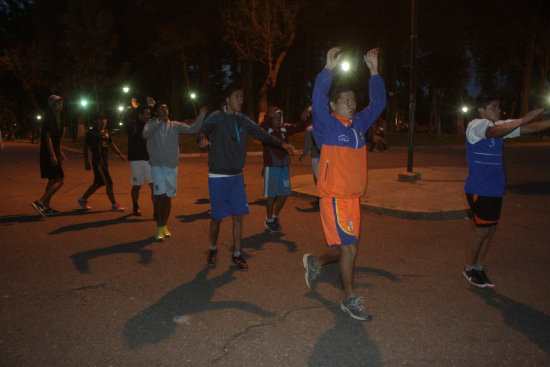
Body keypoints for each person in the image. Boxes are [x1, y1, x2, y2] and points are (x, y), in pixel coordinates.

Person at [302, 47, 386, 321]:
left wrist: (374, 72)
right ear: (333, 105)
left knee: (344, 247)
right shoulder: (327, 126)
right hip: (334, 197)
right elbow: (317, 98)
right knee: (350, 248)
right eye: (345, 100)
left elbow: (378, 104)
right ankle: (349, 298)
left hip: (353, 197)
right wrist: (327, 69)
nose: (351, 104)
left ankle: (315, 262)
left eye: (353, 101)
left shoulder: (359, 125)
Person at [198, 83, 295, 270]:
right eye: (236, 97)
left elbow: (261, 134)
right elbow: (203, 130)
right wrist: (203, 138)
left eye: (242, 97)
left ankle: (237, 254)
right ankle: (212, 248)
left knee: (238, 217)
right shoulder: (216, 117)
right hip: (218, 176)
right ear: (227, 99)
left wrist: (281, 144)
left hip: (236, 176)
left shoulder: (243, 120)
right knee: (217, 218)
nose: (240, 101)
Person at [462, 94, 550, 288]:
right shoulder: (476, 125)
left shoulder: (502, 127)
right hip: (479, 188)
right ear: (481, 110)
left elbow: (527, 128)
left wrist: (541, 123)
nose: (498, 110)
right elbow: (493, 132)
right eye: (494, 106)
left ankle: (479, 267)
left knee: (491, 230)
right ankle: (469, 268)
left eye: (499, 107)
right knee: (482, 231)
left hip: (495, 189)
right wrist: (524, 118)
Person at [143, 102, 207, 241]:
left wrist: (201, 115)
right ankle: (159, 228)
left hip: (171, 167)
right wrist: (159, 122)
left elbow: (192, 129)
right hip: (157, 166)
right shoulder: (151, 124)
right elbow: (145, 134)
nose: (165, 111)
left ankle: (164, 226)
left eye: (166, 108)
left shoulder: (175, 125)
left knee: (167, 198)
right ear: (156, 112)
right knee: (160, 197)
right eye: (161, 109)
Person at [260, 106, 309, 232]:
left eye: (279, 117)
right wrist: (269, 116)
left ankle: (275, 216)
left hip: (284, 167)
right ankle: (269, 220)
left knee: (285, 193)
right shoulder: (266, 129)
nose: (278, 119)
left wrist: (303, 118)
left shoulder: (284, 128)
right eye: (275, 117)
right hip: (271, 167)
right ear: (270, 118)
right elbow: (263, 127)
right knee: (271, 196)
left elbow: (299, 127)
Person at [77, 112, 126, 211]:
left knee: (98, 183)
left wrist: (120, 154)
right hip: (99, 163)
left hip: (105, 162)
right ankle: (114, 204)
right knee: (109, 183)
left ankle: (83, 199)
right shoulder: (92, 133)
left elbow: (111, 144)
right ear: (96, 121)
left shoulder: (106, 132)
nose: (104, 121)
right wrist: (86, 162)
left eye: (105, 119)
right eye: (101, 119)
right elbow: (85, 148)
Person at [31, 95, 66, 217]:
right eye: (58, 104)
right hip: (49, 153)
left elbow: (56, 138)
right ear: (52, 105)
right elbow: (48, 137)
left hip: (53, 151)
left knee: (52, 180)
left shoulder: (56, 117)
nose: (61, 105)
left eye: (61, 103)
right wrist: (52, 155)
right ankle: (40, 202)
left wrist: (59, 151)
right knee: (60, 180)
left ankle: (45, 207)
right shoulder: (50, 118)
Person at [126, 98, 155, 216]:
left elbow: (161, 117)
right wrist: (134, 108)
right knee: (137, 186)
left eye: (149, 113)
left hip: (150, 160)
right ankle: (135, 205)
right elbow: (126, 119)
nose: (149, 116)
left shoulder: (151, 124)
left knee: (154, 186)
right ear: (139, 115)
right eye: (146, 114)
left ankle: (156, 209)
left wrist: (153, 106)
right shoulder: (133, 125)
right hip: (137, 160)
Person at [299, 122, 321, 209]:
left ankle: (320, 199)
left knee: (317, 178)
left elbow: (308, 144)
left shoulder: (310, 129)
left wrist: (303, 155)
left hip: (316, 156)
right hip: (327, 156)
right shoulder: (328, 124)